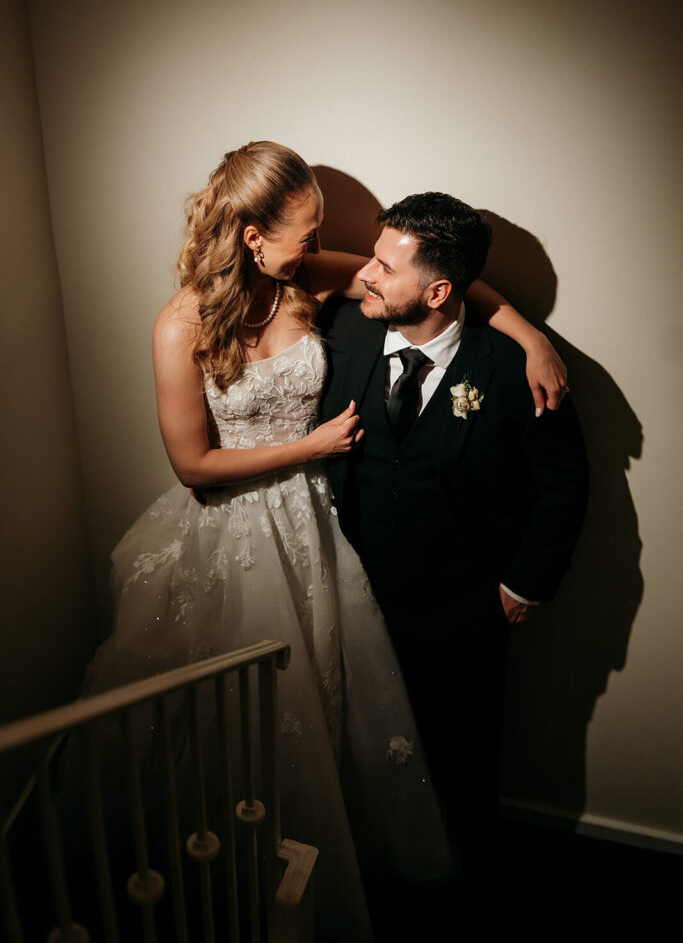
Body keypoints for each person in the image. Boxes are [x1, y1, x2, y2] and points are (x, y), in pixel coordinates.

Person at [74, 144, 572, 940]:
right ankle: (224, 863)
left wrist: (528, 337)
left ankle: (323, 858)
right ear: (252, 238)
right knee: (231, 711)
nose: (324, 250)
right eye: (307, 234)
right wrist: (308, 448)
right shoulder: (180, 324)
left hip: (314, 527)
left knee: (329, 696)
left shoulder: (304, 281)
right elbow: (193, 467)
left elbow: (447, 278)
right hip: (233, 529)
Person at [319, 191, 590, 891]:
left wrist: (522, 585)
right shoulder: (342, 329)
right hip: (345, 597)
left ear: (438, 292)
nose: (364, 274)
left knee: (460, 766)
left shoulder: (515, 367)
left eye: (385, 267)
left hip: (462, 609)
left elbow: (563, 486)